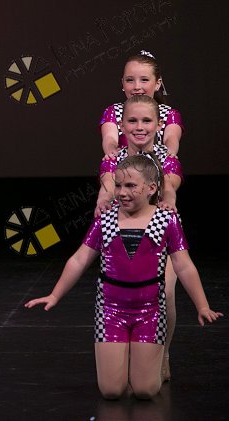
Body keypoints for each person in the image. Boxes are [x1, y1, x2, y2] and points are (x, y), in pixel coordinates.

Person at [26, 155, 222, 399]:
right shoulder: (105, 218)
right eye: (118, 185)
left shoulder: (167, 220)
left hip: (151, 311)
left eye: (130, 186)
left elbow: (184, 266)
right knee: (111, 391)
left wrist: (202, 305)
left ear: (151, 188)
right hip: (110, 310)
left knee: (145, 390)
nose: (121, 192)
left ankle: (143, 362)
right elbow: (79, 259)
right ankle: (124, 359)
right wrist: (55, 295)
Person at [95, 94, 183, 379]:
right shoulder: (113, 159)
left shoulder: (167, 158)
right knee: (123, 295)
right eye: (132, 121)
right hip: (123, 236)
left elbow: (170, 185)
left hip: (159, 233)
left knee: (165, 294)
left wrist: (168, 199)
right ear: (122, 126)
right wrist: (104, 197)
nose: (139, 127)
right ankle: (126, 356)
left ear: (158, 125)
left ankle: (163, 353)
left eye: (146, 121)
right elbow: (107, 183)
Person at [100, 51, 182, 160]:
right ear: (123, 83)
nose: (137, 86)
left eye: (144, 80)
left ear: (157, 83)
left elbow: (171, 138)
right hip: (124, 166)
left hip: (157, 165)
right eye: (130, 80)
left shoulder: (168, 113)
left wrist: (169, 153)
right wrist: (111, 151)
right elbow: (110, 138)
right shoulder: (115, 111)